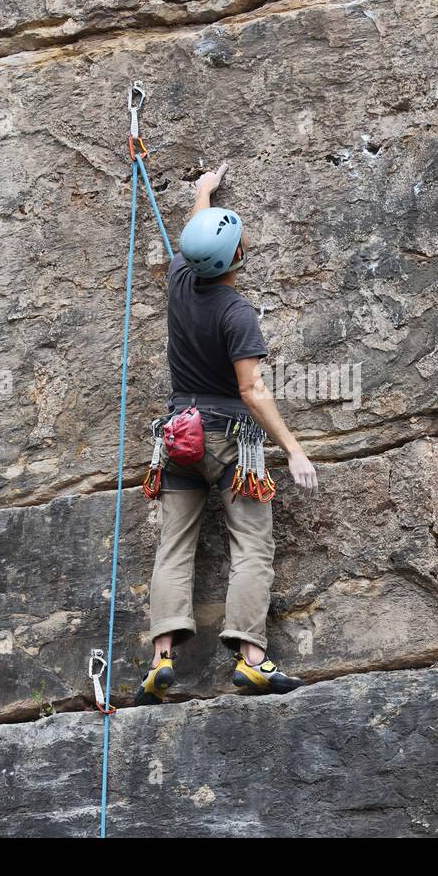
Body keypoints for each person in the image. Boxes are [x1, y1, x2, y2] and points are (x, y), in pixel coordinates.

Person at [136, 162, 318, 705]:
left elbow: (197, 242)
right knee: (251, 547)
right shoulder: (237, 313)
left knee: (173, 546)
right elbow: (253, 391)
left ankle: (161, 657)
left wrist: (202, 193)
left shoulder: (178, 276)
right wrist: (294, 449)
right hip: (229, 440)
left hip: (176, 439)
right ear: (236, 257)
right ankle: (253, 662)